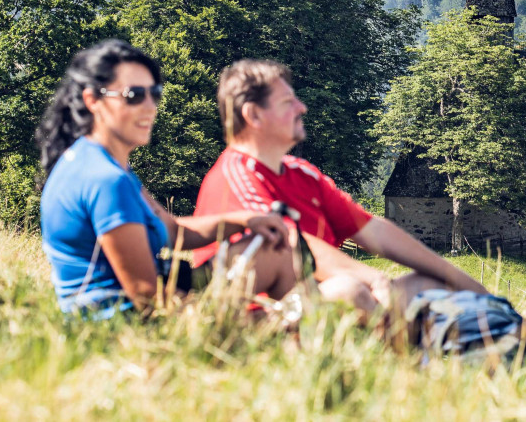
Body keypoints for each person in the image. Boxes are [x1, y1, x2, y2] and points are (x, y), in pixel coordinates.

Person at [191, 59, 488, 316]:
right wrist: (372, 278)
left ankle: (506, 346)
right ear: (253, 115)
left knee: (429, 286)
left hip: (317, 301)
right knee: (349, 292)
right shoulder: (236, 176)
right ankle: (404, 368)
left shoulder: (303, 175)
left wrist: (468, 284)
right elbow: (293, 243)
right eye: (287, 102)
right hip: (263, 315)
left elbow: (375, 232)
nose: (302, 107)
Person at [38, 40, 300, 318]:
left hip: (152, 302)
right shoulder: (105, 180)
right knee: (291, 317)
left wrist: (246, 220)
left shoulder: (104, 164)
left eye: (154, 93)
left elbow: (174, 233)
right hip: (122, 329)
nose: (150, 107)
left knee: (275, 251)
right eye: (134, 95)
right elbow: (148, 297)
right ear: (93, 101)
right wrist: (269, 319)